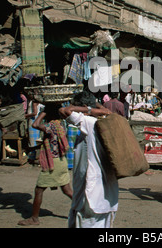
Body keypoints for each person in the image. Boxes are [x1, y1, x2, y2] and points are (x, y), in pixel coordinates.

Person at [59, 90, 118, 228]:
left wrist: (89, 108)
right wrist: (93, 104)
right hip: (105, 190)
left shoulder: (89, 123)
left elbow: (65, 110)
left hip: (91, 191)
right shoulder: (105, 122)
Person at [18, 103, 73, 226]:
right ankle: (84, 209)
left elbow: (35, 124)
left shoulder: (51, 126)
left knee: (39, 190)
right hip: (61, 161)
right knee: (67, 190)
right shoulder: (61, 125)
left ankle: (34, 218)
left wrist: (43, 113)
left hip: (52, 163)